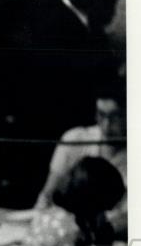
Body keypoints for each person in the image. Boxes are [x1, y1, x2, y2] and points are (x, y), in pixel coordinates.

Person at [33, 80, 127, 237]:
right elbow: (47, 197)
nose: (106, 125)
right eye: (101, 115)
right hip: (66, 235)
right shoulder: (75, 139)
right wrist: (38, 227)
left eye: (115, 117)